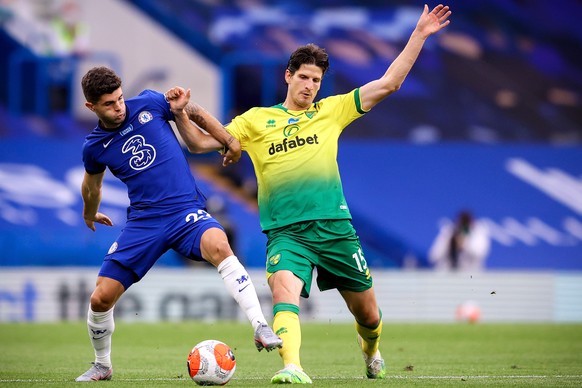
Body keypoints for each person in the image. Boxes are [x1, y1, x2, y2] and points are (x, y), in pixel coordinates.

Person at [218, 4, 452, 383]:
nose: (311, 86)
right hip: (286, 232)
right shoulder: (256, 120)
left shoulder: (332, 110)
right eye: (305, 77)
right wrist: (182, 113)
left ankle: (371, 350)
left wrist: (420, 34)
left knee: (369, 316)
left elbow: (389, 83)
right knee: (283, 293)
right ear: (288, 76)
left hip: (335, 229)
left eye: (317, 80)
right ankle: (291, 367)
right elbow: (204, 142)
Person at [75, 66, 282, 382]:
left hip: (185, 210)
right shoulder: (95, 147)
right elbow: (92, 186)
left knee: (219, 243)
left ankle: (259, 325)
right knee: (100, 297)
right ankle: (102, 365)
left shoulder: (147, 103)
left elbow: (193, 110)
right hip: (144, 222)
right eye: (109, 104)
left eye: (119, 99)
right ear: (92, 107)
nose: (119, 107)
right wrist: (90, 212)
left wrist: (227, 139)